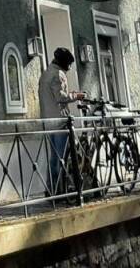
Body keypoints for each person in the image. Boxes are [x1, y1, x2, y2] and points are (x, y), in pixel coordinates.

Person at [37, 47, 84, 194]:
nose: (69, 67)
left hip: (48, 121)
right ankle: (60, 190)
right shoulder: (58, 74)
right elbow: (60, 96)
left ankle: (51, 189)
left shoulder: (45, 74)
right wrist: (76, 95)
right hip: (60, 121)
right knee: (61, 157)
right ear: (64, 62)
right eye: (69, 63)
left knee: (54, 158)